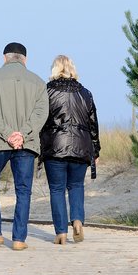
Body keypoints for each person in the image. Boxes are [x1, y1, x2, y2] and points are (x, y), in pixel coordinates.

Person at [0, 42, 49, 250]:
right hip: (26, 144)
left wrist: (7, 134)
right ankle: (19, 239)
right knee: (23, 190)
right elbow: (41, 114)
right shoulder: (38, 82)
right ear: (25, 59)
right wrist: (22, 134)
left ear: (5, 57)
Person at [40, 55, 100, 244]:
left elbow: (40, 120)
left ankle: (61, 233)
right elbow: (93, 124)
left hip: (54, 147)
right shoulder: (86, 93)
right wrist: (95, 150)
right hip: (81, 147)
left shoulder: (46, 91)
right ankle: (77, 221)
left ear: (55, 70)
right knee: (76, 186)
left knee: (57, 189)